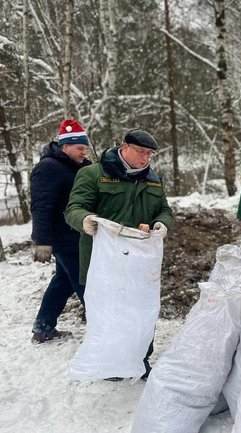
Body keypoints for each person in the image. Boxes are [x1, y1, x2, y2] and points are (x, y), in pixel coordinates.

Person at [64, 129, 174, 379]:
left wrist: (160, 224)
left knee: (140, 310)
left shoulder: (152, 179)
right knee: (110, 313)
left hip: (139, 260)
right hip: (103, 261)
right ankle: (112, 365)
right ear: (124, 147)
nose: (146, 159)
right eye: (141, 152)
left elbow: (164, 209)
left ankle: (141, 361)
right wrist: (85, 220)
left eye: (150, 154)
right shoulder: (93, 174)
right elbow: (74, 208)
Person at [30, 119, 93, 344]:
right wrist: (42, 241)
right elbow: (41, 206)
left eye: (85, 148)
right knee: (87, 285)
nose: (84, 152)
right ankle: (103, 332)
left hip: (79, 236)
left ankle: (43, 327)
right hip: (66, 239)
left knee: (63, 282)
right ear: (64, 146)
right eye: (79, 148)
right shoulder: (48, 168)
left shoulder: (81, 167)